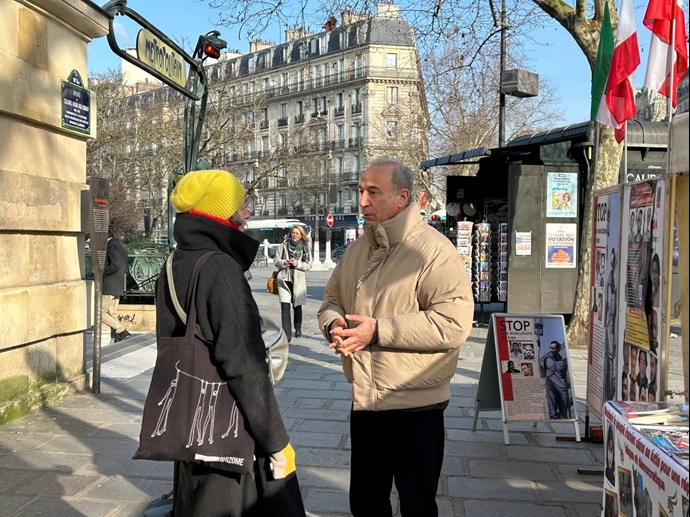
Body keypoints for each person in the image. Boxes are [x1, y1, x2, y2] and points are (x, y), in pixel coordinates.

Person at [317, 158, 474, 517]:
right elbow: (330, 301)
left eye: (373, 192)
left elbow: (453, 322)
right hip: (366, 402)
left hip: (416, 406)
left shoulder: (434, 251)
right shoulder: (358, 249)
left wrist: (377, 331)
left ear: (402, 197)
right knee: (366, 504)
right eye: (360, 191)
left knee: (417, 506)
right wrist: (335, 325)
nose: (362, 201)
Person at [159, 169, 306, 517]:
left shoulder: (174, 262)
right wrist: (277, 442)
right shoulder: (220, 269)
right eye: (242, 206)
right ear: (219, 213)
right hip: (228, 428)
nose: (248, 213)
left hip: (190, 419)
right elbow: (244, 364)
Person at [274, 226, 312, 341]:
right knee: (285, 306)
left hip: (298, 280)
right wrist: (283, 262)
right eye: (293, 233)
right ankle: (287, 334)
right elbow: (275, 261)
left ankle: (298, 327)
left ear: (301, 235)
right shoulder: (283, 246)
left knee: (297, 306)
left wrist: (297, 264)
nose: (294, 235)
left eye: (297, 233)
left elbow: (309, 265)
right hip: (284, 279)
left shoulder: (305, 248)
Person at [102, 229, 131, 342]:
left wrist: (100, 273)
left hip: (109, 285)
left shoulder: (111, 246)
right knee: (112, 313)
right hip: (117, 285)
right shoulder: (119, 245)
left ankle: (121, 331)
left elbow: (115, 265)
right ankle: (116, 339)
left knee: (100, 313)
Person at [538, 340, 570, 419]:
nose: (551, 350)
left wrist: (567, 388)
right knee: (552, 414)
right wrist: (541, 370)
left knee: (563, 414)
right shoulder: (546, 360)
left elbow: (566, 376)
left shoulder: (563, 361)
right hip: (550, 389)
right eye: (550, 348)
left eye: (553, 348)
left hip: (561, 389)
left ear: (558, 349)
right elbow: (543, 376)